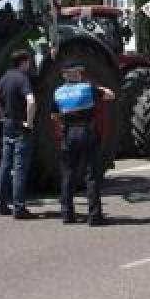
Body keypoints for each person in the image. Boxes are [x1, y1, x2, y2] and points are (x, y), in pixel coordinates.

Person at [52, 65, 114, 226]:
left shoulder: (58, 92)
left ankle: (67, 214)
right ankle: (94, 216)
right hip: (87, 132)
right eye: (78, 71)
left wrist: (65, 123)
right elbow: (110, 95)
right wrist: (97, 87)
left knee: (68, 174)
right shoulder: (87, 88)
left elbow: (54, 116)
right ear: (75, 74)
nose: (80, 74)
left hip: (68, 134)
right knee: (91, 175)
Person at [0, 50, 36, 219]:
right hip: (21, 128)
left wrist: (2, 112)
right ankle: (19, 208)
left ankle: (0, 205)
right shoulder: (23, 79)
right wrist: (29, 122)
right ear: (24, 62)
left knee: (4, 167)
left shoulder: (6, 77)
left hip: (7, 126)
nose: (30, 65)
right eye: (29, 61)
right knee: (20, 168)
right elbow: (31, 101)